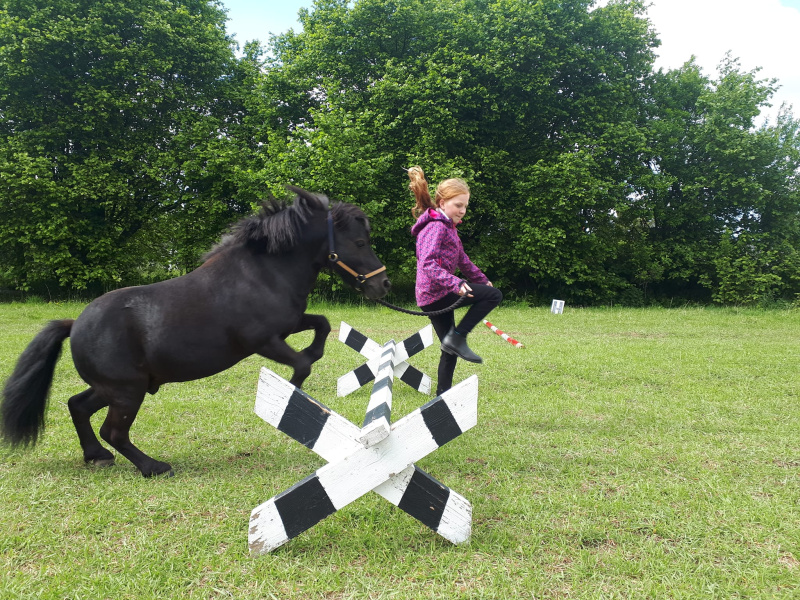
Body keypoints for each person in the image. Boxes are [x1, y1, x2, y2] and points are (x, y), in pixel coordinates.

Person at [408, 166, 502, 395]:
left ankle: (442, 396)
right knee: (493, 296)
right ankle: (459, 337)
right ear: (442, 203)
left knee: (448, 348)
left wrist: (481, 280)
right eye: (458, 205)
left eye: (465, 206)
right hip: (436, 294)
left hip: (436, 295)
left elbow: (463, 260)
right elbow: (427, 263)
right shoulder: (436, 227)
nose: (463, 211)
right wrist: (456, 283)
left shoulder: (449, 228)